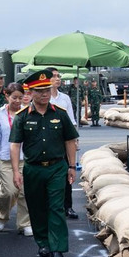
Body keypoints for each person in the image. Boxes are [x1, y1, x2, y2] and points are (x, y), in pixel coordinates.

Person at [10, 69, 79, 257]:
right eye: (39, 91)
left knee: (56, 207)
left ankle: (57, 249)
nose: (44, 94)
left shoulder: (61, 114)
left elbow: (70, 140)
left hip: (57, 167)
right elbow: (15, 145)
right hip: (33, 169)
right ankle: (43, 242)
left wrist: (72, 166)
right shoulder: (22, 116)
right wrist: (16, 171)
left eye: (47, 90)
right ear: (30, 93)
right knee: (37, 207)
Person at [0, 82, 32, 236]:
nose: (17, 101)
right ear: (6, 96)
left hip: (25, 158)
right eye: (14, 97)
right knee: (9, 191)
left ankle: (24, 223)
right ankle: (1, 214)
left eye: (21, 97)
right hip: (6, 159)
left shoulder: (28, 113)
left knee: (25, 192)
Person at [48, 69, 79, 220]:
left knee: (68, 172)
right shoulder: (44, 98)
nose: (57, 79)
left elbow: (72, 121)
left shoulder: (64, 98)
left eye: (58, 76)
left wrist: (75, 140)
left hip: (64, 141)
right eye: (54, 76)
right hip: (49, 142)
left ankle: (68, 206)